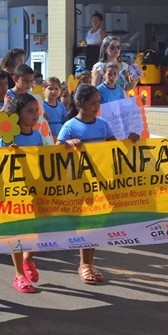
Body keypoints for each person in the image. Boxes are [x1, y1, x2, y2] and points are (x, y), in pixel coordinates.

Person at [57, 84, 118, 285]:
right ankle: (84, 264)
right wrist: (68, 144)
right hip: (80, 183)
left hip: (101, 182)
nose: (97, 106)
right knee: (87, 223)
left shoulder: (103, 124)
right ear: (79, 104)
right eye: (92, 103)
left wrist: (132, 141)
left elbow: (115, 147)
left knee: (96, 223)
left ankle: (89, 263)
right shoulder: (70, 127)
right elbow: (55, 152)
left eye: (98, 102)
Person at [0, 92, 47, 293]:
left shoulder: (37, 136)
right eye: (29, 111)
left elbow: (44, 162)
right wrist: (8, 152)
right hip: (14, 192)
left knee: (37, 234)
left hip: (34, 191)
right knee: (16, 232)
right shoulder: (9, 136)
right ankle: (19, 275)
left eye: (36, 111)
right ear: (17, 113)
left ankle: (28, 259)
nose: (34, 115)